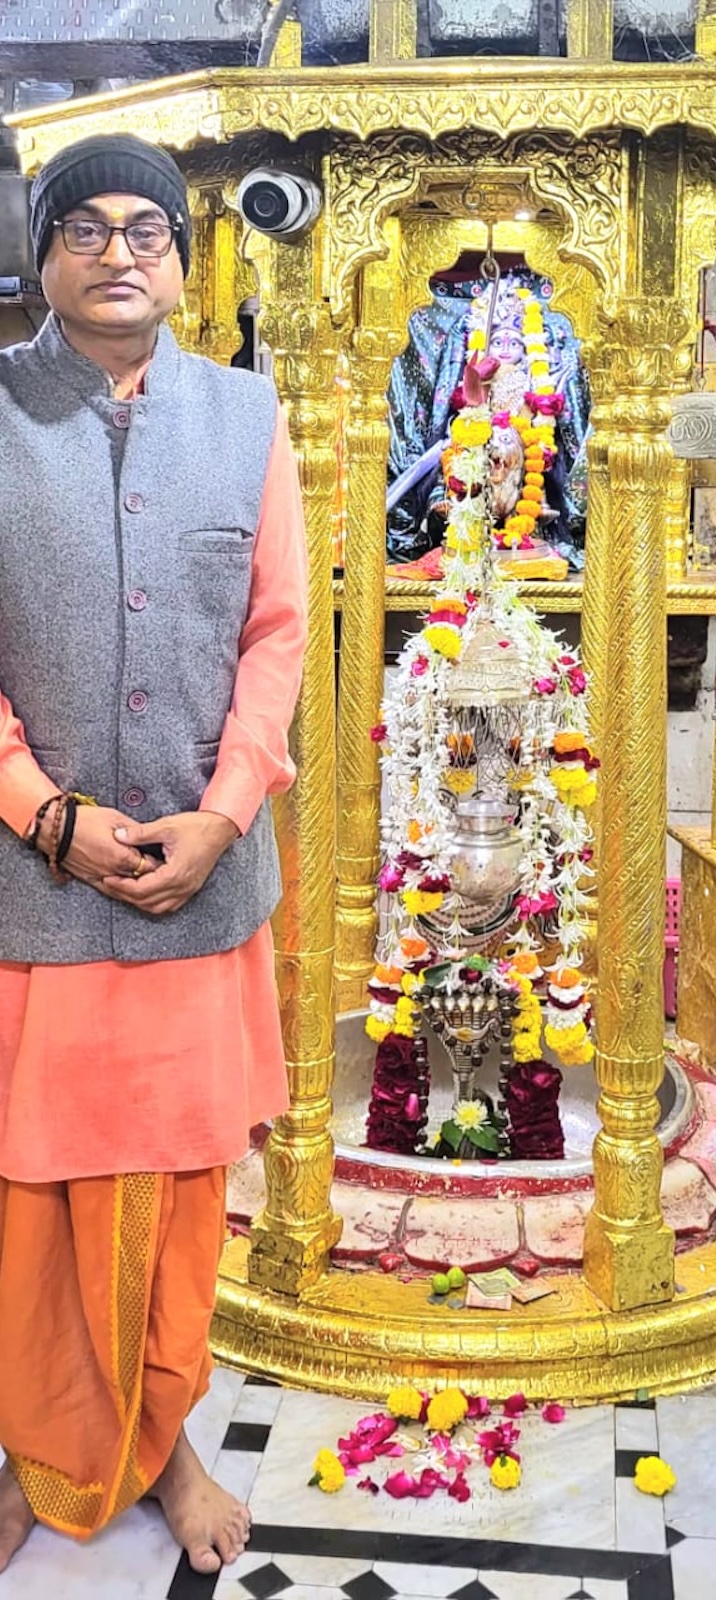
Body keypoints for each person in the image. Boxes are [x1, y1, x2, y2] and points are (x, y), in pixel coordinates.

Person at [0, 133, 308, 1574]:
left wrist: (230, 808)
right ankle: (35, 1452)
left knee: (178, 1197)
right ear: (42, 251)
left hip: (203, 890)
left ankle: (162, 1444)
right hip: (31, 901)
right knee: (32, 1199)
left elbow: (277, 633)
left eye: (150, 231)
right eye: (87, 228)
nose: (119, 252)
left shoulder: (248, 415)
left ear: (187, 261)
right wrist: (40, 809)